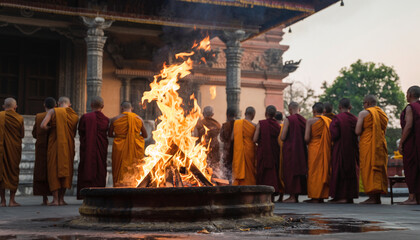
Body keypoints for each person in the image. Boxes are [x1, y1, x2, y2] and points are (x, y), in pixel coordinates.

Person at [41, 96, 79, 206]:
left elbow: (43, 125)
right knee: (66, 171)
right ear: (69, 105)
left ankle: (55, 200)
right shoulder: (74, 115)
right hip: (68, 146)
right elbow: (73, 131)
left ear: (58, 103)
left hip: (55, 145)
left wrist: (51, 129)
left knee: (54, 170)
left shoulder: (53, 111)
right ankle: (62, 199)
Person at [356, 95, 388, 204]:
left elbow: (357, 131)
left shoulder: (364, 113)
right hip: (380, 144)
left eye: (364, 103)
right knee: (378, 169)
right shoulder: (382, 114)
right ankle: (376, 197)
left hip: (368, 144)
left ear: (367, 103)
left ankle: (372, 197)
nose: (364, 106)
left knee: (369, 168)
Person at [77, 96, 109, 199]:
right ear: (103, 106)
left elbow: (81, 132)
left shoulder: (85, 117)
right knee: (100, 168)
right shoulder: (105, 120)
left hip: (88, 149)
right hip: (100, 149)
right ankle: (99, 194)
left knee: (86, 167)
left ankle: (86, 194)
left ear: (91, 105)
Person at [109, 101, 147, 187]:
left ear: (121, 108)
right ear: (132, 108)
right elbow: (145, 135)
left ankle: (119, 187)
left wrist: (121, 135)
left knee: (119, 168)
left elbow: (110, 134)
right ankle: (134, 185)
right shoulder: (139, 119)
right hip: (135, 147)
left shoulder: (115, 119)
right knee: (135, 166)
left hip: (120, 147)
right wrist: (134, 136)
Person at [329, 98, 359, 203]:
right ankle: (349, 196)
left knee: (339, 170)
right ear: (350, 107)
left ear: (339, 107)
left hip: (340, 148)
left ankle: (341, 197)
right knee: (351, 171)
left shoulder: (337, 118)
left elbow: (334, 135)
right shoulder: (355, 119)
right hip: (352, 149)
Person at [304, 102, 332, 203]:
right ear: (323, 111)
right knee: (323, 170)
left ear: (314, 111)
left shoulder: (310, 121)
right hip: (326, 148)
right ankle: (322, 195)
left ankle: (315, 196)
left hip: (314, 148)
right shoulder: (328, 121)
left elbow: (306, 138)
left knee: (313, 172)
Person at [281, 102, 307, 203]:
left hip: (290, 150)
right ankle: (295, 197)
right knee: (299, 171)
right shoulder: (304, 120)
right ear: (299, 109)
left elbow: (283, 137)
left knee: (291, 172)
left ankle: (292, 196)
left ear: (289, 109)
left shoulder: (288, 119)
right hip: (301, 150)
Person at [0, 98, 24, 207]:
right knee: (13, 172)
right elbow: (22, 134)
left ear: (3, 106)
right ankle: (12, 201)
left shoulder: (0, 116)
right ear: (15, 107)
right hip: (14, 149)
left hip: (2, 149)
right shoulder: (19, 118)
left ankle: (3, 201)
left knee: (2, 172)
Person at [253, 105, 281, 199]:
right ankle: (272, 195)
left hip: (263, 150)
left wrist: (262, 142)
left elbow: (255, 139)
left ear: (266, 114)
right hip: (274, 151)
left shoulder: (261, 124)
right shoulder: (277, 125)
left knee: (263, 171)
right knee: (274, 172)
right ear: (275, 114)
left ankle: (262, 194)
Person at [32, 97, 56, 205]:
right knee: (52, 170)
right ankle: (57, 198)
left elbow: (34, 133)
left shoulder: (39, 117)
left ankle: (44, 199)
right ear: (55, 106)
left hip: (41, 147)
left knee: (41, 171)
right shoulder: (57, 116)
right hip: (54, 147)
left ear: (44, 105)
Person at [399, 86, 420, 204]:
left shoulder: (410, 108)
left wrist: (401, 142)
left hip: (412, 144)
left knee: (411, 169)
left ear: (410, 94)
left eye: (407, 94)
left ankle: (412, 197)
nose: (406, 96)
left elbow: (409, 125)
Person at [232, 107, 256, 185]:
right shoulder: (254, 125)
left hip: (238, 151)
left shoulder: (237, 123)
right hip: (250, 150)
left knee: (238, 167)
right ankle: (249, 185)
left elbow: (232, 138)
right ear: (253, 115)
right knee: (250, 170)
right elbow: (256, 139)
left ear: (245, 114)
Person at [195, 106, 221, 171]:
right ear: (212, 114)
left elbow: (195, 137)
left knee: (203, 168)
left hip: (202, 150)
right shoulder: (217, 124)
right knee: (214, 170)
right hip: (215, 151)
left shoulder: (199, 123)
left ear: (203, 113)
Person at [219, 108, 236, 182]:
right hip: (236, 150)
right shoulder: (238, 124)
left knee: (227, 170)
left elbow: (221, 139)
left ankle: (227, 183)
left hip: (227, 150)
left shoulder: (225, 125)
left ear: (227, 115)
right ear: (235, 115)